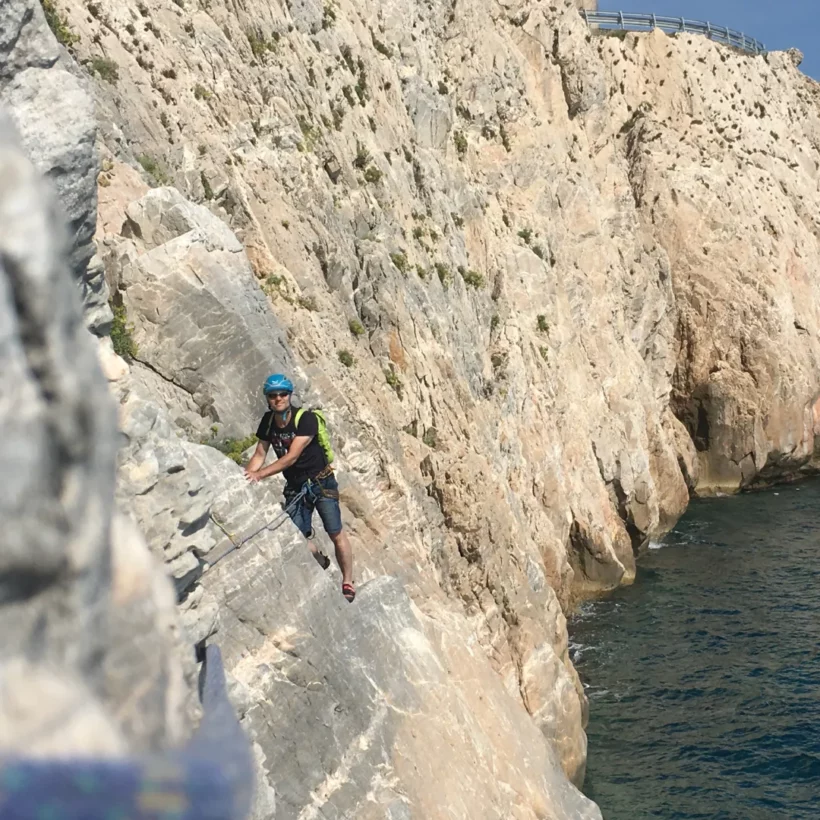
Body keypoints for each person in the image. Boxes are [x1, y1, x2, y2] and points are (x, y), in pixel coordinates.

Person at [244, 374, 355, 603]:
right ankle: (319, 559)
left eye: (282, 394)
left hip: (321, 483)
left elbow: (291, 457)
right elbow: (259, 454)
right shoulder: (267, 422)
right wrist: (245, 477)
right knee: (297, 537)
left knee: (335, 532)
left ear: (290, 395)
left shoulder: (305, 420)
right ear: (268, 398)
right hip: (295, 487)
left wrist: (260, 475)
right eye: (273, 395)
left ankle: (348, 580)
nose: (278, 399)